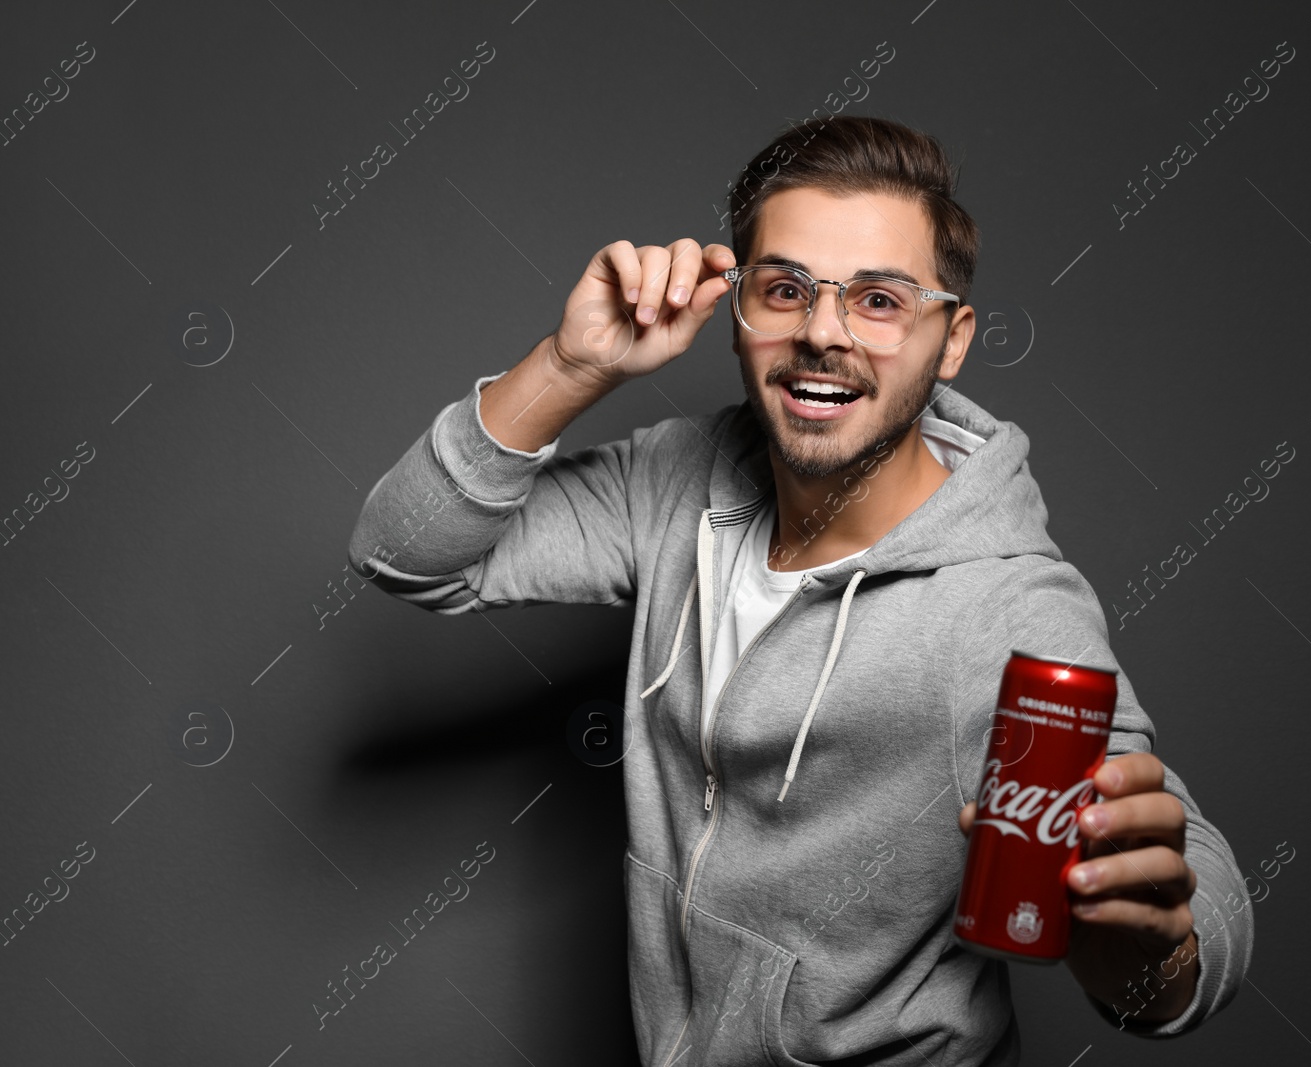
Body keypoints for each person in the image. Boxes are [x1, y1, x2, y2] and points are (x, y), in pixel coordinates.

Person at [347, 114, 1253, 1065]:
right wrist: (571, 368)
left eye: (878, 300)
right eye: (787, 290)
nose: (823, 332)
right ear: (738, 311)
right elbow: (404, 550)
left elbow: (1194, 911)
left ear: (951, 341)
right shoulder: (675, 484)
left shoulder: (1001, 609)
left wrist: (1148, 939)